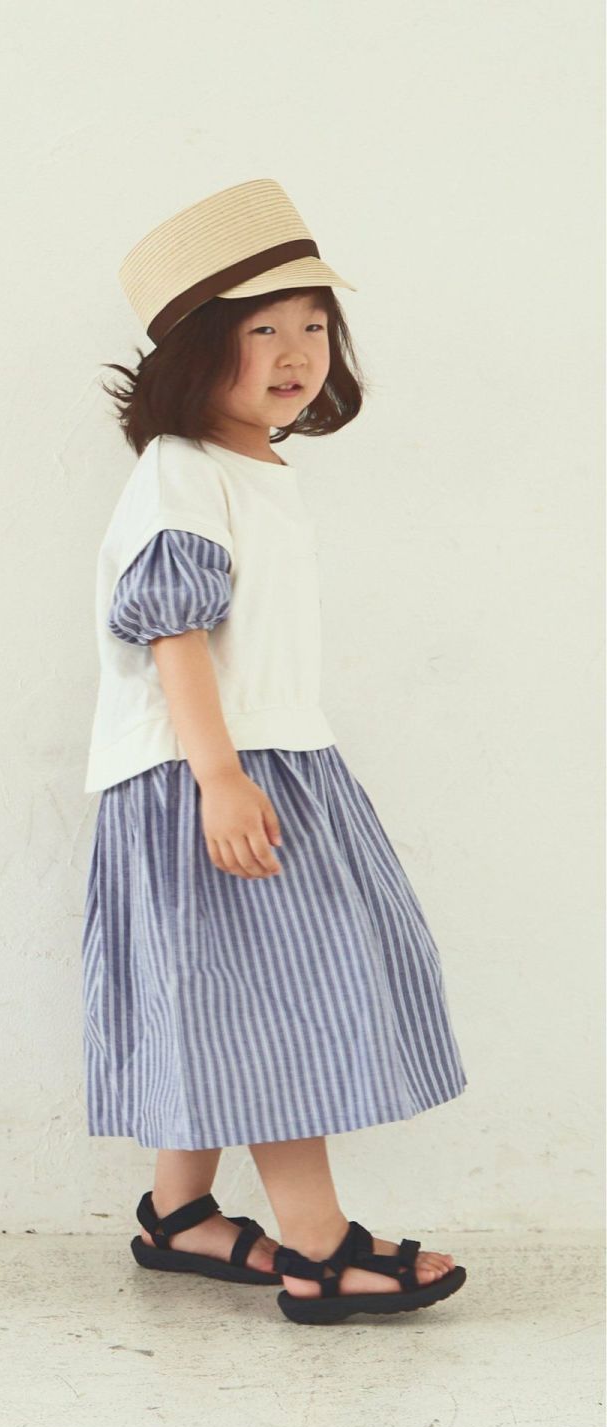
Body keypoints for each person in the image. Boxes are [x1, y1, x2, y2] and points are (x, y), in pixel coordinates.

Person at [81, 178, 469, 1324]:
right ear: (197, 352)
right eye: (262, 329)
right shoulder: (182, 471)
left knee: (228, 994)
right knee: (275, 1006)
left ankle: (180, 1215)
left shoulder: (245, 469)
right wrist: (218, 777)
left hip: (270, 760)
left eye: (313, 323)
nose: (296, 352)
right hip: (208, 771)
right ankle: (318, 1245)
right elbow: (175, 632)